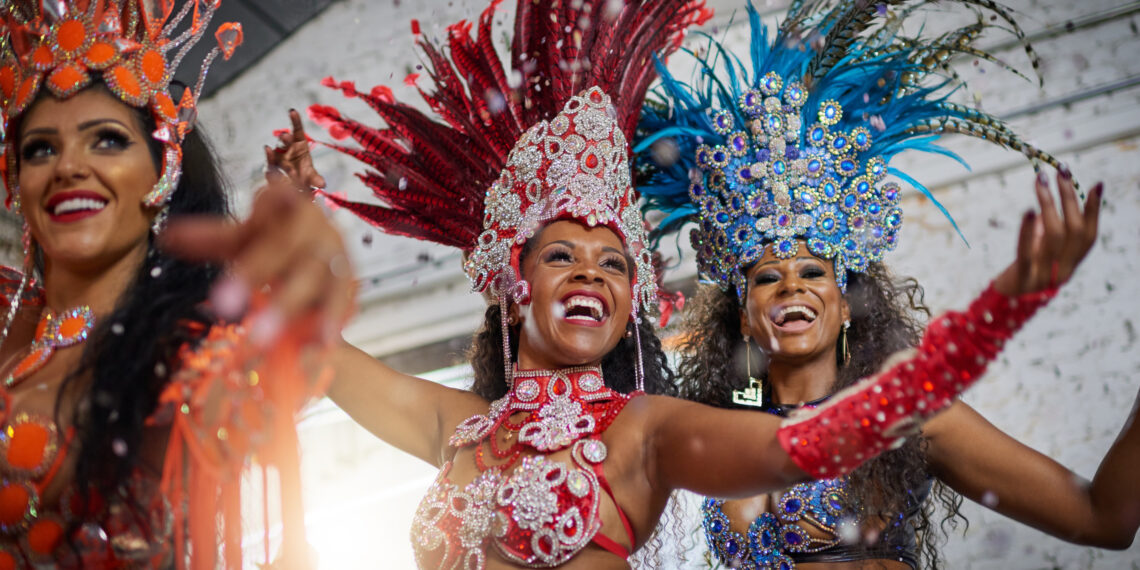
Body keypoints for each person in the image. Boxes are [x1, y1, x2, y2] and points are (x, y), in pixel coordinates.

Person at [269, 1, 1091, 567]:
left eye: (615, 261)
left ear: (633, 303)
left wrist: (998, 311)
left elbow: (804, 444)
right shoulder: (456, 425)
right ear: (511, 286)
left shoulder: (646, 430)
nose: (591, 269)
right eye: (561, 256)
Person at [632, 1, 1139, 567]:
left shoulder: (912, 415)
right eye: (768, 277)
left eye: (814, 272)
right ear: (744, 316)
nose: (791, 288)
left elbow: (1104, 517)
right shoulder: (710, 435)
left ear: (845, 303)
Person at [0, 1, 353, 567]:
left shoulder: (177, 357)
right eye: (41, 147)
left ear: (163, 170)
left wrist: (300, 299)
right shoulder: (9, 318)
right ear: (17, 181)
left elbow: (249, 386)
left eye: (107, 140)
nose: (67, 165)